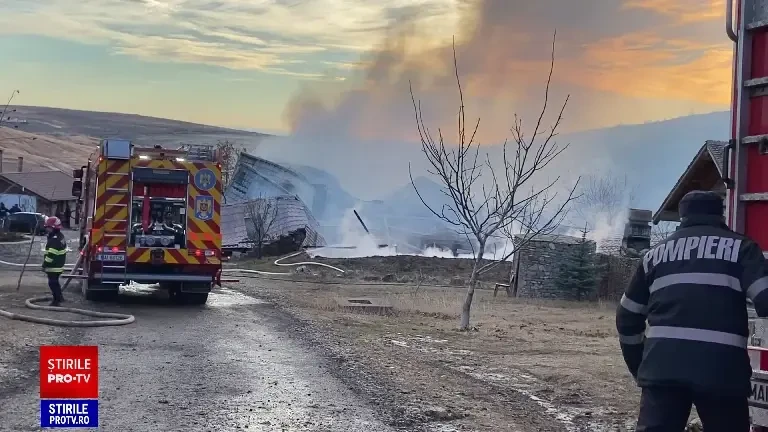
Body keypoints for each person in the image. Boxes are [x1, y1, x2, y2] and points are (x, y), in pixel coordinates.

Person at [616, 190, 768, 431]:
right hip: (722, 371)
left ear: (682, 216)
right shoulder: (743, 249)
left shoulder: (654, 256)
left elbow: (626, 317)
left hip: (661, 371)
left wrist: (641, 368)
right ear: (721, 214)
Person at [41, 216, 67, 306]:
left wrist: (44, 265)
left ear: (53, 228)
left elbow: (50, 255)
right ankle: (60, 298)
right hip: (59, 264)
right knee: (55, 282)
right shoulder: (60, 236)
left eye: (48, 227)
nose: (46, 229)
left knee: (52, 283)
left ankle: (56, 301)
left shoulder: (54, 240)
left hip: (53, 266)